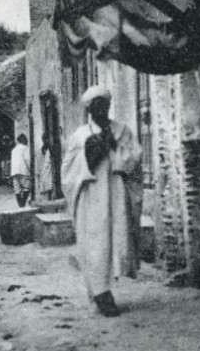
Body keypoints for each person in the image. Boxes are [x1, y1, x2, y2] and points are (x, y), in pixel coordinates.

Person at [61, 84, 143, 317]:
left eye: (104, 105)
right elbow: (68, 171)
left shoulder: (122, 131)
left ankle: (103, 290)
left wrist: (114, 145)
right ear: (88, 109)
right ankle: (100, 293)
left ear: (109, 106)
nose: (101, 110)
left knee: (115, 242)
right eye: (95, 106)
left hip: (116, 195)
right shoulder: (80, 136)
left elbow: (133, 160)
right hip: (91, 196)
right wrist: (92, 152)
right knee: (94, 245)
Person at [11, 134, 32, 207]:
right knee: (27, 187)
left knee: (17, 189)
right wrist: (31, 170)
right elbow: (28, 160)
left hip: (14, 172)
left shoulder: (14, 150)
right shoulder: (25, 148)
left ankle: (20, 205)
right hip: (23, 171)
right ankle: (22, 204)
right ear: (23, 140)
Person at [39, 133, 54, 201]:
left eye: (47, 139)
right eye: (44, 139)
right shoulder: (43, 149)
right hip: (45, 170)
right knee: (47, 187)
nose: (46, 141)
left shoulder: (50, 149)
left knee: (49, 187)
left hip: (48, 170)